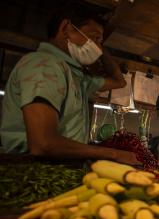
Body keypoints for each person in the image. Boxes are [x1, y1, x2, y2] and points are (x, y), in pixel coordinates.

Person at [0, 5, 140, 165]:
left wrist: (100, 47)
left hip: (58, 170)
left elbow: (119, 81)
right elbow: (43, 144)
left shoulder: (76, 78)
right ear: (66, 28)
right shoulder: (45, 65)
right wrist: (112, 154)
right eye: (93, 38)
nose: (96, 47)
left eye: (99, 42)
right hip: (34, 173)